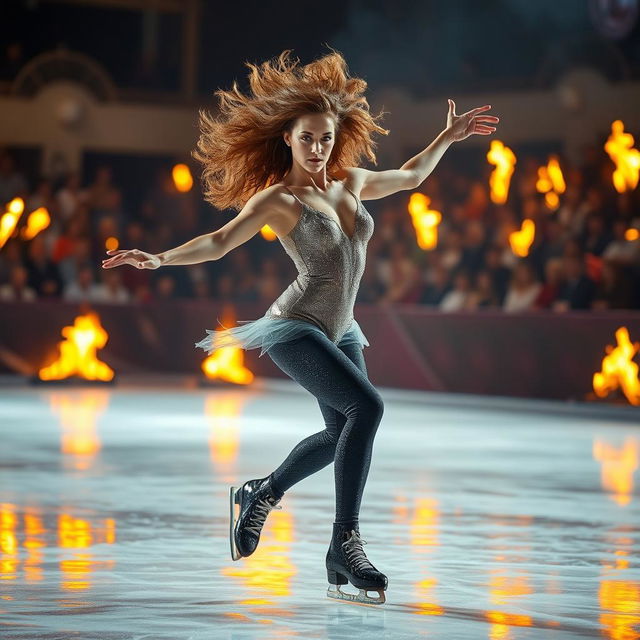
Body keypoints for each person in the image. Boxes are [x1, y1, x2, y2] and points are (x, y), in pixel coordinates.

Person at [101, 48, 499, 605]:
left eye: (327, 139)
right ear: (288, 138)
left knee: (343, 435)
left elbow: (409, 176)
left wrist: (447, 138)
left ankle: (261, 493)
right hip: (294, 326)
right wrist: (160, 259)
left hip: (341, 329)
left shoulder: (350, 184)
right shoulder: (279, 200)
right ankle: (345, 543)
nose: (318, 148)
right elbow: (218, 243)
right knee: (370, 409)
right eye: (307, 138)